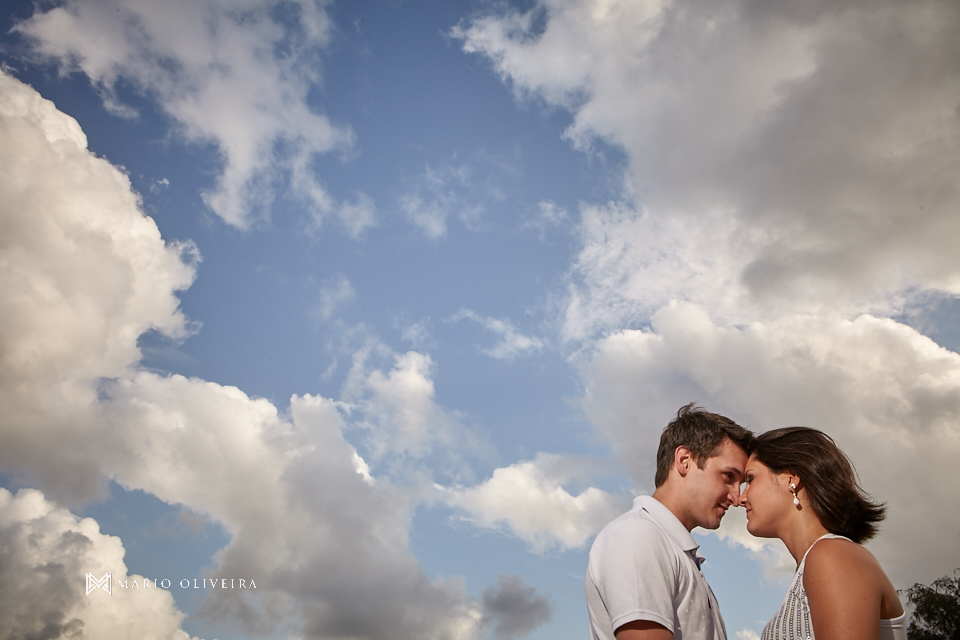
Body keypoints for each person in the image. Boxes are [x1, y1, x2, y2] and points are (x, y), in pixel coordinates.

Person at [585, 404, 756, 640]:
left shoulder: (670, 547)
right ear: (684, 460)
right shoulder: (638, 535)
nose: (736, 497)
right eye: (728, 476)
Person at [740, 427, 905, 640]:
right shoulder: (823, 559)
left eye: (750, 479)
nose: (740, 498)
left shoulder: (832, 555)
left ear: (791, 478)